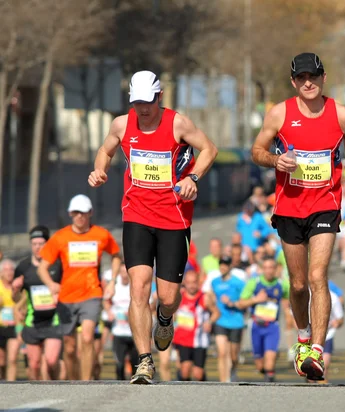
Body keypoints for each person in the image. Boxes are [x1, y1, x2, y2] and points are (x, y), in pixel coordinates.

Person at [88, 70, 218, 384]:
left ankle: (164, 318)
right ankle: (145, 361)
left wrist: (192, 178)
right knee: (138, 287)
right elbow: (105, 150)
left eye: (148, 102)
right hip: (136, 216)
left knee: (169, 296)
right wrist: (99, 170)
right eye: (137, 102)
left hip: (174, 219)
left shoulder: (178, 123)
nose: (143, 109)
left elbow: (209, 149)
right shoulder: (122, 123)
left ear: (159, 97)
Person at [250, 52, 345, 380]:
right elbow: (256, 150)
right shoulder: (279, 114)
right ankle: (303, 337)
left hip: (325, 205)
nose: (308, 83)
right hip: (289, 207)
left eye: (313, 77)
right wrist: (276, 161)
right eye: (301, 78)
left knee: (318, 277)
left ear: (323, 77)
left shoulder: (341, 115)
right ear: (293, 82)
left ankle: (316, 349)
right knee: (299, 284)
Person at [37, 194, 122, 381]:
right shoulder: (61, 237)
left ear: (90, 213)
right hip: (66, 298)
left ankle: (86, 382)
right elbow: (42, 267)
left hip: (92, 294)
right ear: (70, 214)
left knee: (87, 338)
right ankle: (74, 382)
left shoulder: (101, 234)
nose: (80, 217)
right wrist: (51, 284)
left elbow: (116, 255)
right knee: (69, 347)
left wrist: (113, 281)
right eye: (76, 213)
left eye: (84, 213)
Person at [11, 226, 63, 380]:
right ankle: (37, 395)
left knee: (51, 361)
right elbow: (16, 300)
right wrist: (15, 290)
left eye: (41, 244)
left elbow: (66, 288)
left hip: (54, 321)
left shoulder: (57, 264)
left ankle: (59, 386)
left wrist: (58, 293)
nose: (37, 247)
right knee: (34, 365)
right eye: (34, 244)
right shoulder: (23, 267)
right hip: (32, 322)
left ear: (47, 244)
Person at [237, 256, 290, 382]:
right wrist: (256, 300)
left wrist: (288, 313)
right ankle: (265, 363)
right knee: (260, 365)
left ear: (276, 269)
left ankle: (270, 383)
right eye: (265, 268)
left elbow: (288, 299)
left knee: (269, 365)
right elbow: (240, 303)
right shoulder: (254, 283)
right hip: (256, 326)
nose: (269, 271)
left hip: (272, 327)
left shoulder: (282, 284)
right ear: (261, 269)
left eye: (271, 268)